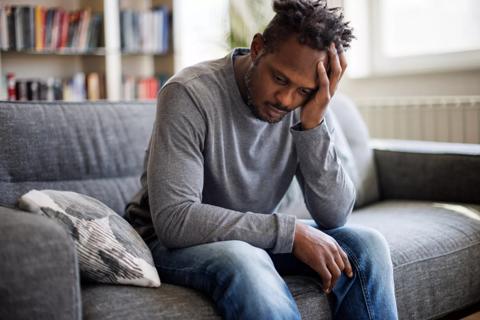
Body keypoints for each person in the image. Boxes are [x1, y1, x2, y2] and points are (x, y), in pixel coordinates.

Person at [126, 0, 398, 319]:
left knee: (366, 245)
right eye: (280, 79)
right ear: (257, 48)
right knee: (244, 258)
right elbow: (175, 220)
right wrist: (290, 233)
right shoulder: (188, 93)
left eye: (302, 90)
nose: (285, 100)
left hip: (248, 235)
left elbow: (335, 214)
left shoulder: (309, 105)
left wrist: (313, 123)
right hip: (167, 242)